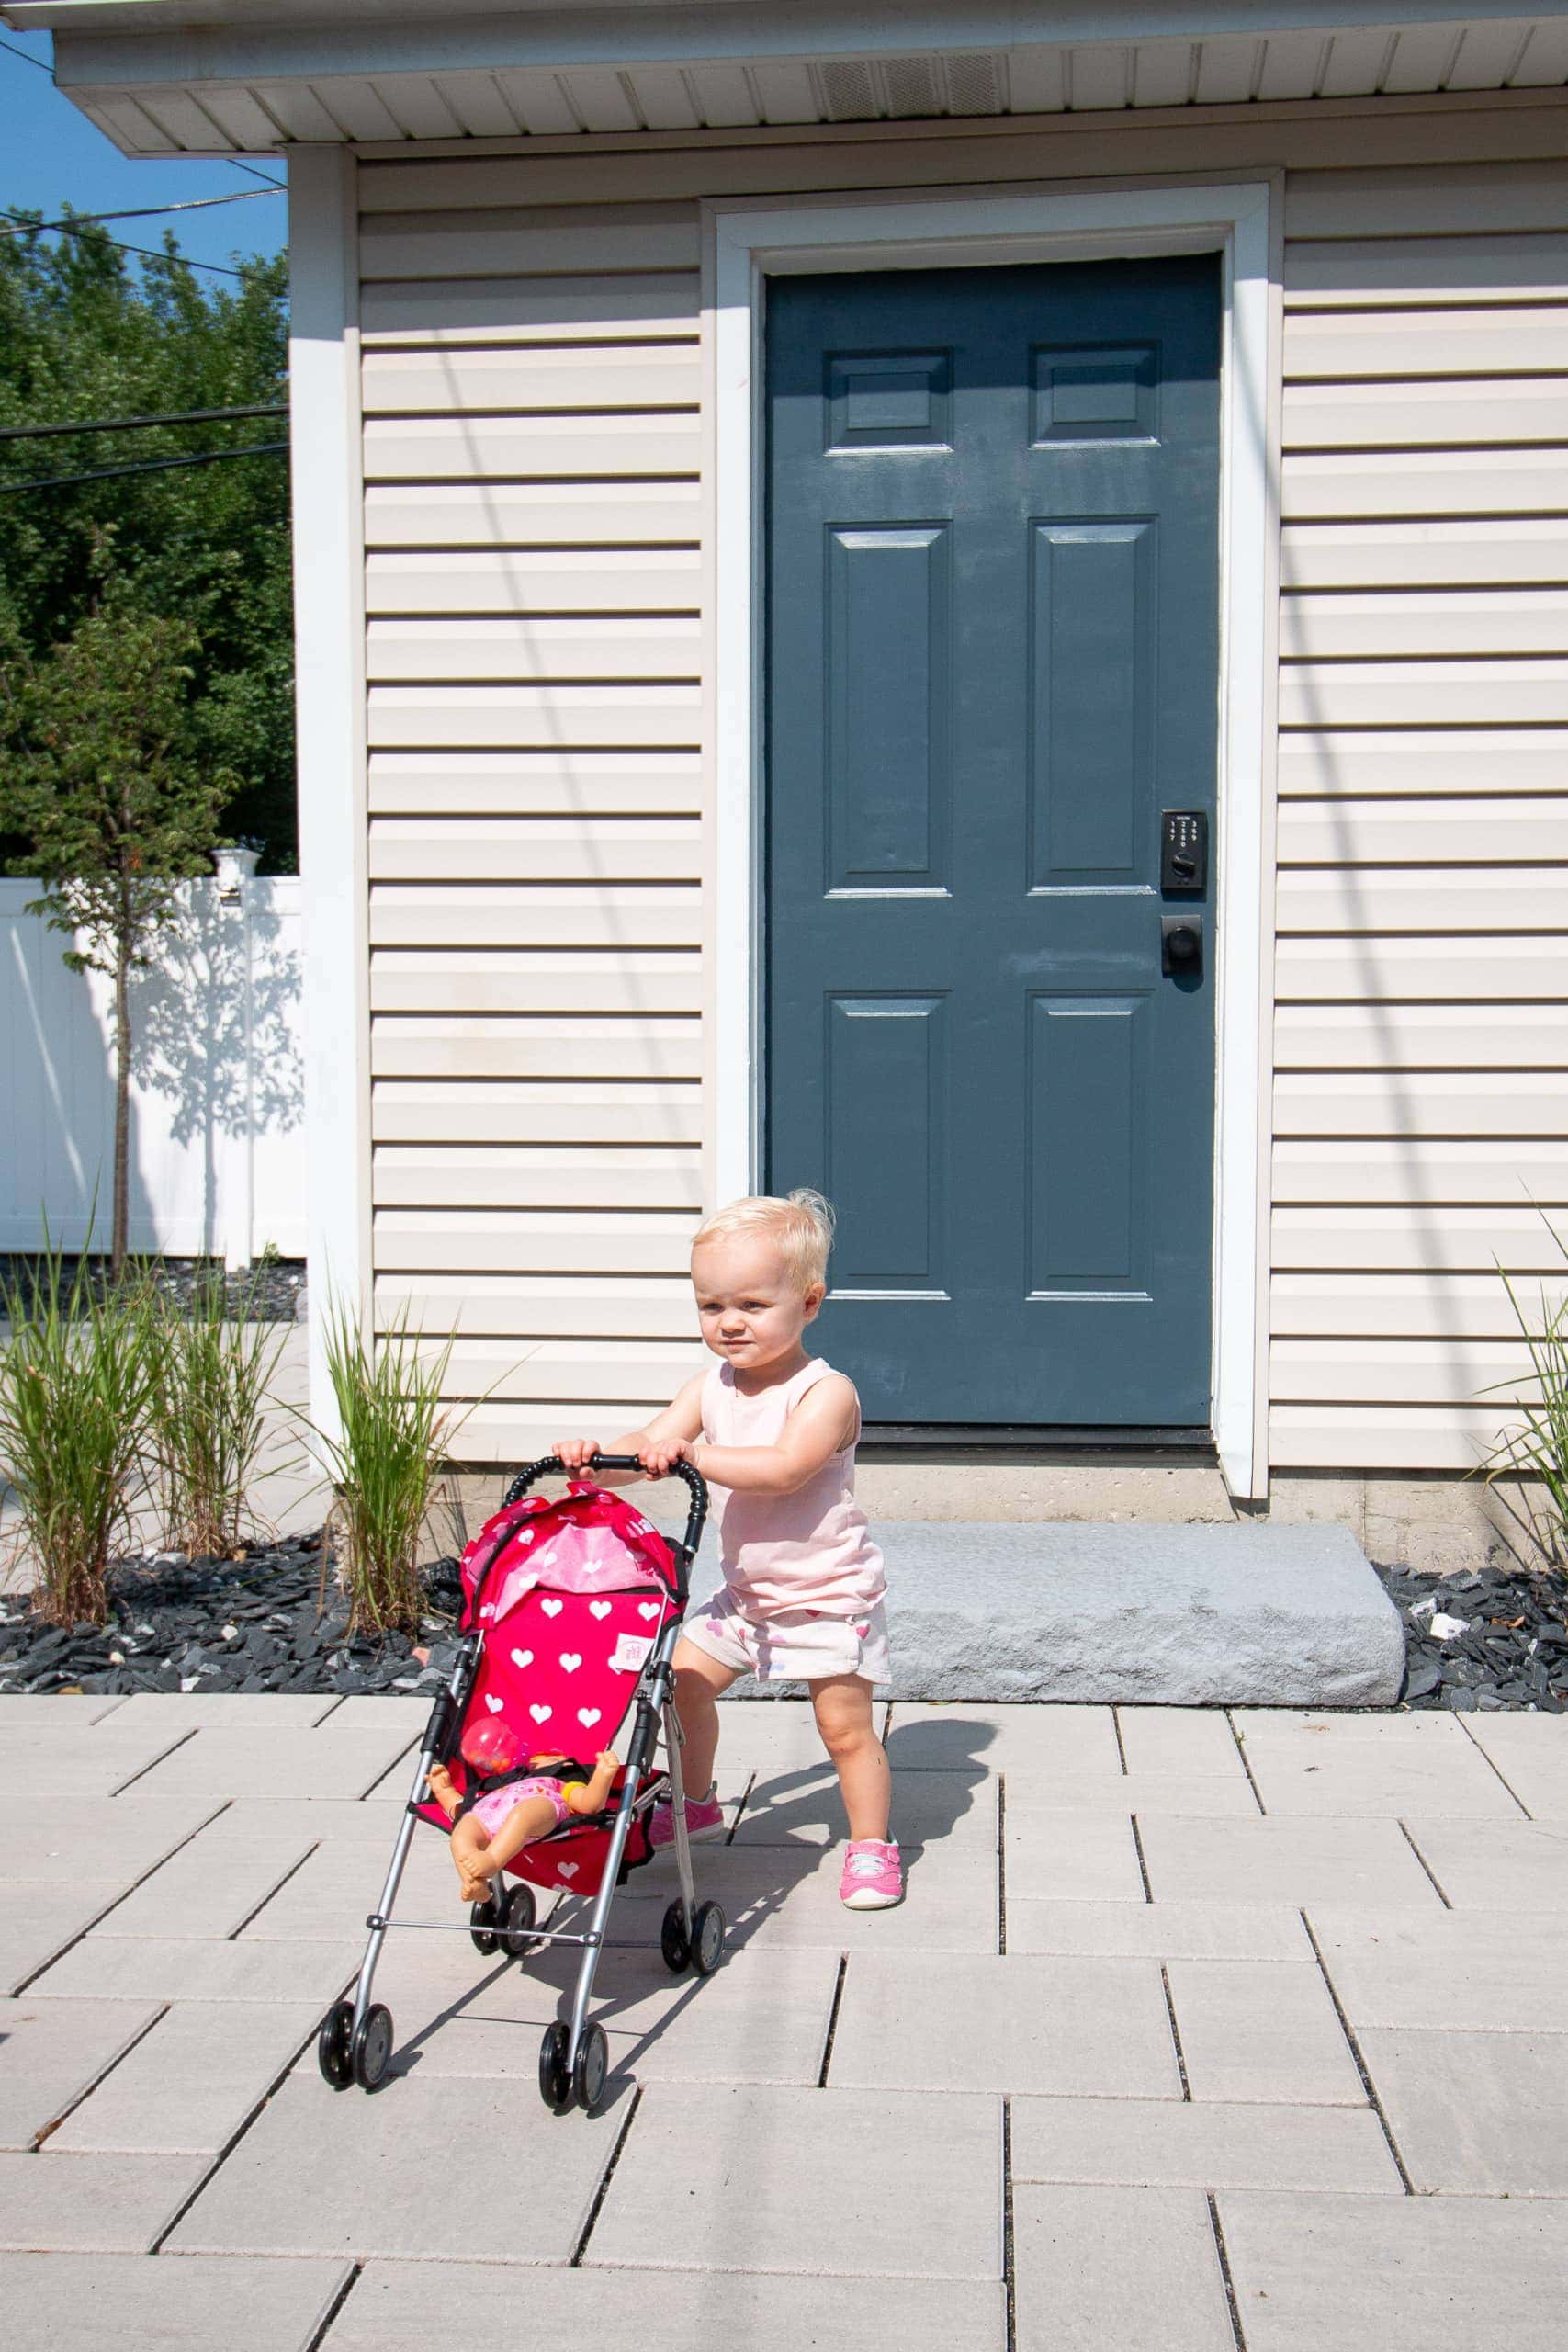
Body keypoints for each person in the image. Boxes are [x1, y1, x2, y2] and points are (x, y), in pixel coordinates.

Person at [556, 1188, 901, 1911]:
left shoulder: (824, 1392)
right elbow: (650, 1443)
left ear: (808, 1304)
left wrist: (690, 1455)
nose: (730, 1323)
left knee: (842, 1730)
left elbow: (782, 1469)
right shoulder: (709, 1385)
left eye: (751, 1305)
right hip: (746, 1599)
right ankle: (698, 1802)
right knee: (679, 1687)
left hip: (825, 1598)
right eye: (712, 1307)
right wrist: (598, 1460)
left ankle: (871, 1844)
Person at [426, 1718, 620, 1904]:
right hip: (490, 1813)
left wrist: (602, 1777)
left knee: (522, 1815)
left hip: (541, 1805)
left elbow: (589, 1805)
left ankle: (493, 1860)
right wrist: (444, 1790)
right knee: (461, 1832)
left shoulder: (559, 1781)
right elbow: (461, 1809)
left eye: (548, 1760)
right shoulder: (495, 1786)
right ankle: (475, 1883)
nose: (535, 1764)